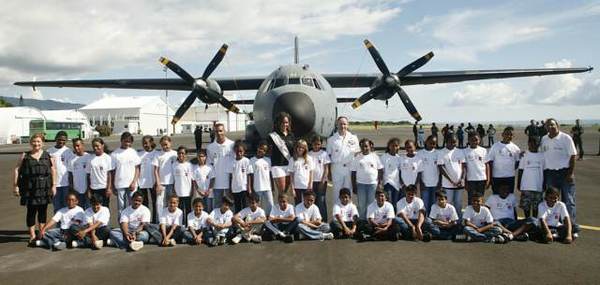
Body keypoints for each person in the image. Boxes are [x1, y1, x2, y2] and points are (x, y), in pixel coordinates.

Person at [14, 133, 55, 244]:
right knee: (31, 212)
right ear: (31, 142)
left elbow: (53, 170)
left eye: (39, 142)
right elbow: (17, 170)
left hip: (44, 187)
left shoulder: (48, 155)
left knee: (43, 211)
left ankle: (41, 233)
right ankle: (32, 235)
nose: (36, 144)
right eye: (34, 141)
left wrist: (54, 185)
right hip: (29, 187)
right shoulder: (25, 156)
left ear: (42, 143)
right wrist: (16, 186)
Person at [540, 118, 578, 233]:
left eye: (552, 125)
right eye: (548, 126)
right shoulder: (544, 139)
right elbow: (541, 154)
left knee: (568, 201)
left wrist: (570, 173)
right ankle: (553, 225)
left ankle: (570, 228)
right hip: (550, 173)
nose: (550, 127)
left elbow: (572, 156)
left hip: (565, 173)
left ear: (557, 125)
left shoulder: (566, 138)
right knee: (551, 201)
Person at [327, 116, 360, 203]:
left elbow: (357, 154)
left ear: (348, 125)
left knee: (348, 192)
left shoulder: (353, 138)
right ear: (337, 125)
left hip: (350, 167)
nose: (343, 126)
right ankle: (336, 214)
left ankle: (348, 214)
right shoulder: (331, 140)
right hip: (337, 168)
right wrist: (329, 172)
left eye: (344, 124)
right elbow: (328, 157)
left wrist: (357, 170)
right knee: (337, 192)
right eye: (340, 124)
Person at [111, 132, 141, 220]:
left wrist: (134, 182)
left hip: (131, 183)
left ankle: (131, 222)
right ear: (121, 140)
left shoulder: (133, 152)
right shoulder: (114, 154)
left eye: (129, 142)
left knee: (132, 205)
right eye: (125, 141)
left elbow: (137, 168)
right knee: (121, 206)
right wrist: (113, 186)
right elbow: (112, 171)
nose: (127, 143)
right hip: (120, 184)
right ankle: (122, 224)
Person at [351, 138, 383, 220]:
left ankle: (370, 222)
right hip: (361, 184)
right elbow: (353, 173)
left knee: (371, 204)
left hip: (372, 184)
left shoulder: (375, 156)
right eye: (362, 146)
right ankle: (362, 222)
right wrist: (354, 186)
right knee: (361, 204)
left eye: (366, 146)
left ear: (370, 146)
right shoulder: (357, 157)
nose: (364, 148)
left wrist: (379, 183)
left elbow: (380, 170)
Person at [437, 134, 466, 217]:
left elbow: (463, 166)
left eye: (455, 142)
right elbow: (441, 168)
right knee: (448, 204)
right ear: (446, 141)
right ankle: (449, 222)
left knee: (458, 203)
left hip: (459, 184)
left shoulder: (459, 151)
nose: (453, 144)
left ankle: (459, 222)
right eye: (451, 142)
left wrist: (461, 179)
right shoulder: (442, 152)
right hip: (448, 184)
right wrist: (451, 181)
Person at [206, 123, 234, 209]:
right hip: (217, 183)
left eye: (221, 131)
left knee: (231, 205)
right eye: (216, 131)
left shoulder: (232, 144)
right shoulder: (210, 147)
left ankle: (231, 222)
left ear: (224, 131)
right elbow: (209, 166)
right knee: (217, 206)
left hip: (229, 182)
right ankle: (217, 221)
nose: (219, 133)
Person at [268, 112, 295, 195]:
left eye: (286, 122)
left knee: (285, 192)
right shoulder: (272, 136)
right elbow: (267, 150)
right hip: (278, 166)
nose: (284, 124)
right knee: (282, 191)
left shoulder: (291, 135)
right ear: (279, 123)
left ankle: (284, 207)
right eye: (283, 122)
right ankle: (281, 207)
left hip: (289, 165)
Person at [487, 126, 520, 194]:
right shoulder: (495, 146)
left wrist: (510, 169)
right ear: (502, 134)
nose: (508, 136)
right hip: (497, 177)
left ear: (513, 136)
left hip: (510, 177)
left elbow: (517, 162)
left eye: (511, 134)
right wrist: (490, 177)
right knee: (496, 196)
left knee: (509, 197)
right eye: (507, 134)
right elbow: (490, 162)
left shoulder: (516, 148)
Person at [47, 131, 74, 213]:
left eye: (64, 140)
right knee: (57, 207)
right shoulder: (49, 151)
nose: (61, 142)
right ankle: (59, 225)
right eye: (60, 139)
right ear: (56, 139)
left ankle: (66, 225)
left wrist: (71, 184)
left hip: (65, 184)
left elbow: (71, 169)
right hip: (55, 184)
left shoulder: (68, 151)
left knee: (66, 206)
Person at [517, 138, 545, 218]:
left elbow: (544, 171)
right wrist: (519, 183)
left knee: (536, 207)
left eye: (536, 143)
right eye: (532, 143)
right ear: (528, 143)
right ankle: (528, 221)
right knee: (526, 206)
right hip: (526, 186)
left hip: (538, 186)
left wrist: (544, 184)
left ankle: (534, 222)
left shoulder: (542, 156)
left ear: (539, 144)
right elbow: (521, 170)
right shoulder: (524, 155)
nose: (534, 145)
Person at [153, 135, 178, 221]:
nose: (165, 146)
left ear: (170, 143)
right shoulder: (158, 154)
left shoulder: (175, 154)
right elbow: (156, 170)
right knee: (159, 204)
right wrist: (158, 184)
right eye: (163, 145)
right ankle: (160, 222)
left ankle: (169, 222)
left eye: (166, 144)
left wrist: (176, 183)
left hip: (172, 183)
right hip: (162, 184)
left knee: (171, 204)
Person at [86, 138, 113, 208]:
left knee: (105, 208)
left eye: (97, 146)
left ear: (102, 145)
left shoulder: (107, 158)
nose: (95, 148)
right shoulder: (90, 159)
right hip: (94, 188)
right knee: (95, 208)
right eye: (94, 146)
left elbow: (109, 174)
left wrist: (109, 188)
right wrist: (89, 190)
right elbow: (88, 175)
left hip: (104, 188)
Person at [463, 134, 490, 205]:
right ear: (468, 140)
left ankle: (479, 215)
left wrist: (488, 179)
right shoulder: (465, 151)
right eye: (472, 140)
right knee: (471, 199)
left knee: (480, 199)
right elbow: (464, 167)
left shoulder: (483, 150)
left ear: (479, 140)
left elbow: (487, 165)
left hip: (482, 179)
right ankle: (471, 215)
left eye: (476, 140)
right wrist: (465, 181)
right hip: (471, 179)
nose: (474, 142)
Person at [138, 135, 159, 222]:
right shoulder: (139, 154)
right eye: (144, 143)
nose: (145, 145)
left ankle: (154, 221)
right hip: (142, 183)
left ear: (151, 142)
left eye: (147, 143)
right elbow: (137, 168)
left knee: (155, 203)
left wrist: (157, 182)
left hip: (153, 182)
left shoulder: (156, 153)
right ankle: (145, 221)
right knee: (144, 203)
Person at [250, 141, 274, 215]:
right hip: (257, 187)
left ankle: (268, 218)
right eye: (261, 148)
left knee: (270, 204)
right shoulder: (252, 160)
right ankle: (259, 219)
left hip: (267, 187)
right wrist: (251, 188)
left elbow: (270, 173)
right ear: (257, 148)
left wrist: (272, 185)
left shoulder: (268, 160)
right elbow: (251, 175)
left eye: (264, 150)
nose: (262, 151)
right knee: (258, 206)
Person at [309, 136, 330, 221]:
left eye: (318, 144)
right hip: (311, 181)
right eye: (314, 144)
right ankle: (313, 220)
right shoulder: (309, 154)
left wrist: (323, 180)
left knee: (321, 201)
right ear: (312, 144)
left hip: (321, 182)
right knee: (311, 201)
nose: (316, 146)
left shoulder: (324, 154)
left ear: (321, 144)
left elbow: (326, 169)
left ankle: (324, 220)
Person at [228, 140, 252, 213]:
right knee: (237, 206)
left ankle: (245, 221)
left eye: (241, 151)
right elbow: (230, 176)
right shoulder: (232, 162)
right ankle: (238, 222)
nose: (239, 153)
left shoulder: (247, 161)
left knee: (244, 205)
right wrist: (230, 189)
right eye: (237, 151)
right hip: (235, 188)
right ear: (235, 151)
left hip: (244, 188)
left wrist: (249, 187)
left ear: (244, 151)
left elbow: (248, 174)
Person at [418, 135, 440, 214]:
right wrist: (421, 183)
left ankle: (432, 220)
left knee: (434, 204)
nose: (432, 145)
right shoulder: (420, 153)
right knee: (425, 204)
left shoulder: (437, 153)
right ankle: (425, 221)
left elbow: (440, 169)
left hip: (435, 183)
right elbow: (419, 170)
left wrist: (439, 183)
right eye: (430, 143)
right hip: (425, 184)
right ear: (426, 142)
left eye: (434, 143)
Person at [288, 139, 314, 205]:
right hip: (297, 186)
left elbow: (311, 173)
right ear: (296, 148)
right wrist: (292, 187)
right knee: (298, 204)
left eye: (303, 148)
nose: (300, 149)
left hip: (306, 186)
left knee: (307, 204)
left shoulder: (309, 159)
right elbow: (291, 175)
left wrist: (310, 184)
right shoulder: (292, 159)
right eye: (299, 147)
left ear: (305, 149)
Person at [68, 138, 91, 209]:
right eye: (74, 146)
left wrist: (89, 189)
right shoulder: (71, 159)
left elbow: (90, 175)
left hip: (87, 190)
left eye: (78, 145)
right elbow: (70, 175)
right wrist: (72, 189)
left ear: (83, 145)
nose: (76, 148)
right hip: (77, 191)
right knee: (78, 211)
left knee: (88, 211)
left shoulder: (89, 157)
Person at [398, 140, 422, 207]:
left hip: (414, 187)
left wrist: (415, 185)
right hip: (404, 187)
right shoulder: (401, 159)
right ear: (405, 148)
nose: (409, 149)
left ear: (414, 147)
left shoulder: (418, 159)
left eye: (411, 147)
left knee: (414, 203)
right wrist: (402, 184)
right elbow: (399, 173)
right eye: (407, 147)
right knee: (404, 204)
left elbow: (419, 174)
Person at [172, 146, 194, 225]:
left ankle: (189, 224)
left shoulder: (189, 165)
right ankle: (181, 224)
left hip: (187, 191)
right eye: (179, 153)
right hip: (178, 192)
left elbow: (192, 179)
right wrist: (174, 190)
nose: (181, 155)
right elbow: (173, 179)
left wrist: (192, 190)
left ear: (186, 155)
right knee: (180, 210)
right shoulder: (174, 165)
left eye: (183, 153)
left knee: (188, 209)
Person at [381, 138, 401, 211]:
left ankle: (394, 220)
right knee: (388, 202)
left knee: (395, 204)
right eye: (392, 145)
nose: (394, 147)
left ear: (398, 147)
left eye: (396, 146)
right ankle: (388, 219)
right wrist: (380, 182)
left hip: (397, 184)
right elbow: (381, 171)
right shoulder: (384, 157)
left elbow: (400, 171)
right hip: (388, 183)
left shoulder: (399, 158)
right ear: (389, 146)